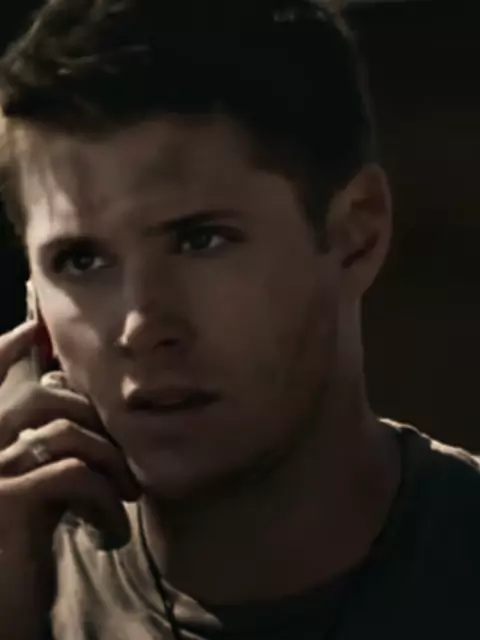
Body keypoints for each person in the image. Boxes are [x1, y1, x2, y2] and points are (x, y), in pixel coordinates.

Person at [0, 1, 478, 639]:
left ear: (355, 235)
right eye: (80, 260)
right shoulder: (24, 584)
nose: (142, 326)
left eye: (199, 240)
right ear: (35, 305)